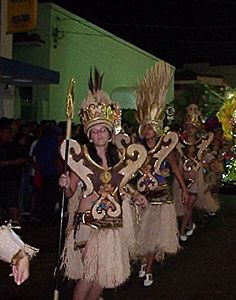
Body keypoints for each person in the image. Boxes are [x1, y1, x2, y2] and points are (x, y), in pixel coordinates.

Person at [58, 70, 147, 300]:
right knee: (89, 274)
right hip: (88, 223)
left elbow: (121, 186)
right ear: (89, 134)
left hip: (111, 224)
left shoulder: (118, 158)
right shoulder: (82, 158)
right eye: (94, 131)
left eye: (102, 130)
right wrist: (67, 184)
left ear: (109, 133)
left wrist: (136, 195)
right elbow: (70, 194)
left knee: (102, 276)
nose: (98, 134)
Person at [133, 61, 189, 287]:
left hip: (162, 197)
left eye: (151, 128)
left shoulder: (166, 148)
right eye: (145, 128)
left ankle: (147, 268)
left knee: (155, 235)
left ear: (156, 129)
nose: (148, 131)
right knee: (141, 234)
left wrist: (183, 190)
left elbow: (175, 168)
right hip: (142, 196)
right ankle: (144, 264)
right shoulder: (136, 151)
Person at [174, 104, 219, 242]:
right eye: (188, 127)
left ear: (197, 129)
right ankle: (190, 224)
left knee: (189, 204)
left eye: (193, 127)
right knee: (185, 205)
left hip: (196, 179)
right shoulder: (180, 144)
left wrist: (213, 162)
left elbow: (207, 156)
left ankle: (181, 231)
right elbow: (174, 159)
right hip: (183, 178)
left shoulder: (201, 145)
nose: (190, 130)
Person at [0, 118, 27, 225]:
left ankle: (15, 222)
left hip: (12, 178)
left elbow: (22, 159)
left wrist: (6, 163)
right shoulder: (3, 145)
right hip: (3, 177)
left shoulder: (15, 146)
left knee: (12, 201)